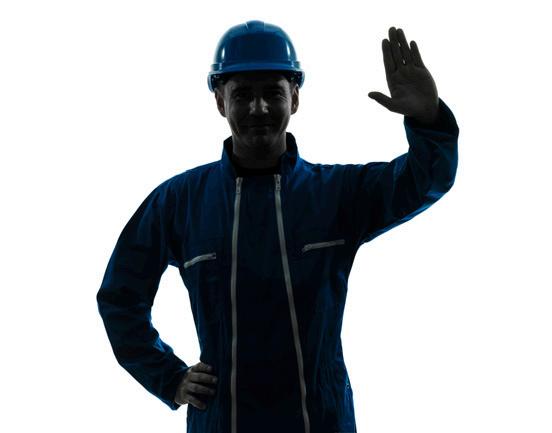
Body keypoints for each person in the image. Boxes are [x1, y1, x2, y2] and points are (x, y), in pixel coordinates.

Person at [96, 20, 459, 433]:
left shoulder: (336, 195)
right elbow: (120, 296)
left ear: (295, 98)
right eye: (242, 95)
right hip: (223, 422)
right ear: (220, 101)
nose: (258, 108)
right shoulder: (180, 202)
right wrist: (169, 377)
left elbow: (423, 181)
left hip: (321, 422)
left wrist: (428, 119)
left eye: (273, 92)